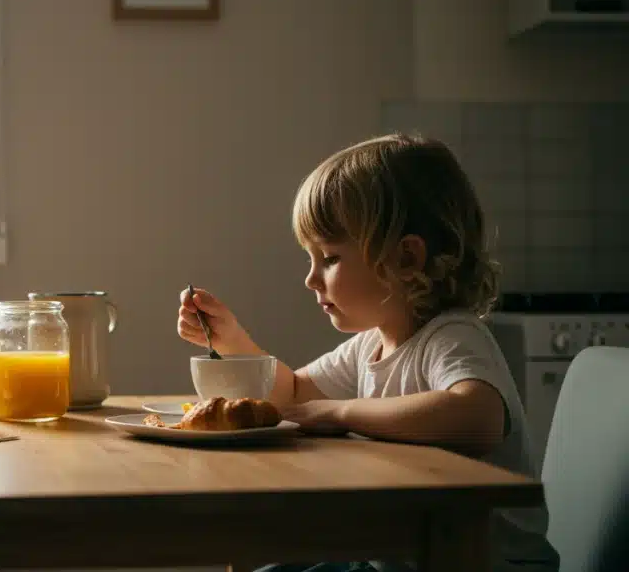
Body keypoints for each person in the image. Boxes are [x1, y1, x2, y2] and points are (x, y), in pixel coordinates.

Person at [177, 134, 559, 572]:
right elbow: (294, 394)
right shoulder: (372, 344)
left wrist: (340, 414)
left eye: (330, 258)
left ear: (405, 258)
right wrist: (232, 340)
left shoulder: (451, 335)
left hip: (486, 562)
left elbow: (479, 417)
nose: (311, 279)